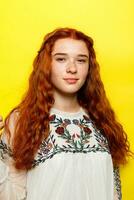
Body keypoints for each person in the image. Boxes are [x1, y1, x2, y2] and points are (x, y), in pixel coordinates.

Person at [0, 27, 132, 200]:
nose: (72, 68)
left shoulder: (102, 120)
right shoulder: (21, 120)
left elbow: (114, 192)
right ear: (47, 65)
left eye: (81, 60)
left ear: (89, 67)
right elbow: (10, 195)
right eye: (61, 59)